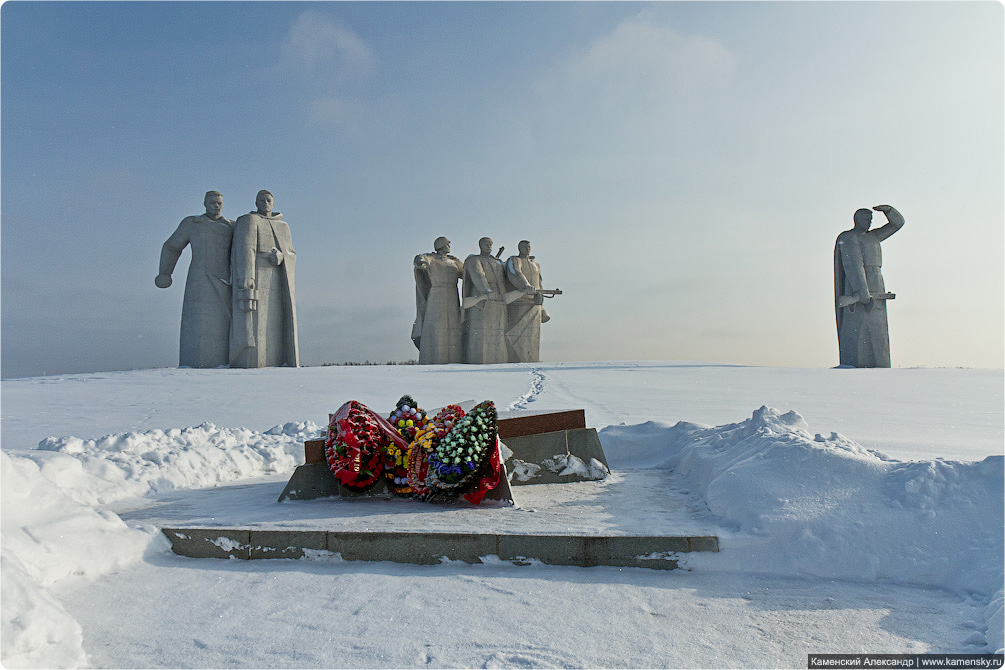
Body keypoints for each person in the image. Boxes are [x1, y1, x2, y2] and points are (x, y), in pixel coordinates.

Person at [155, 191, 233, 368]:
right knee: (197, 324)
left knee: (224, 324)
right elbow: (172, 246)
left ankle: (223, 363)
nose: (217, 206)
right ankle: (195, 364)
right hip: (199, 280)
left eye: (219, 203)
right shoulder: (192, 223)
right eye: (212, 202)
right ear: (204, 204)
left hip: (225, 281)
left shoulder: (231, 227)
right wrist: (165, 272)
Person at [230, 190, 299, 368]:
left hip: (277, 278)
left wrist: (282, 256)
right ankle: (255, 362)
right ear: (256, 202)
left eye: (268, 200)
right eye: (262, 200)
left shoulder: (283, 226)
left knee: (275, 322)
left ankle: (276, 360)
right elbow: (246, 250)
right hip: (257, 275)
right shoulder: (249, 220)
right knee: (255, 323)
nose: (265, 203)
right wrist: (247, 279)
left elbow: (291, 252)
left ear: (273, 203)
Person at [834, 204, 905, 368]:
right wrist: (863, 292)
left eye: (871, 220)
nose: (869, 223)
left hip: (877, 283)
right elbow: (854, 265)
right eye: (866, 219)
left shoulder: (873, 237)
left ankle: (879, 363)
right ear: (856, 220)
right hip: (857, 288)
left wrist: (889, 211)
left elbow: (898, 224)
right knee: (859, 330)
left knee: (878, 333)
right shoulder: (850, 237)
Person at [411, 237, 465, 364]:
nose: (449, 246)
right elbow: (420, 259)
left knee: (453, 326)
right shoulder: (432, 258)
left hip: (452, 294)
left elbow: (466, 273)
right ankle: (433, 357)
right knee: (436, 325)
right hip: (437, 294)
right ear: (440, 245)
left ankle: (454, 358)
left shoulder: (454, 261)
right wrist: (421, 261)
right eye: (447, 244)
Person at [461, 237, 508, 364]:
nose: (489, 246)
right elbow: (478, 276)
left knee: (498, 334)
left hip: (498, 299)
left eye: (491, 244)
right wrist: (486, 291)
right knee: (480, 334)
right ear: (480, 245)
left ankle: (498, 361)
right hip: (481, 299)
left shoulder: (497, 262)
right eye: (486, 244)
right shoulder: (474, 260)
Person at [504, 240, 549, 363]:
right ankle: (515, 360)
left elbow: (539, 283)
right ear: (519, 248)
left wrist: (542, 303)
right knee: (515, 334)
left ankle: (531, 358)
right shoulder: (514, 260)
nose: (527, 249)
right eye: (524, 247)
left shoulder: (536, 265)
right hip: (519, 302)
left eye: (528, 246)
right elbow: (515, 273)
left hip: (534, 303)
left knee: (532, 336)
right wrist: (526, 286)